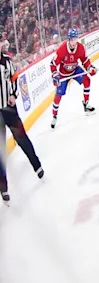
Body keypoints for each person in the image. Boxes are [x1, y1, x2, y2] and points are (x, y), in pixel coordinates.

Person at [0, 44, 44, 204]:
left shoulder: (7, 62)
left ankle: (36, 165)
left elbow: (15, 79)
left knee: (22, 138)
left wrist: (13, 95)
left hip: (9, 109)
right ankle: (3, 188)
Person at [50, 28, 95, 129]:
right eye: (72, 39)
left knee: (87, 80)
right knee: (58, 95)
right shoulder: (61, 49)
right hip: (63, 74)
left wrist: (90, 67)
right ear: (69, 40)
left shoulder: (80, 48)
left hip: (75, 70)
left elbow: (84, 60)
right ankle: (54, 115)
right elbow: (52, 64)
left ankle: (86, 104)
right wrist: (55, 75)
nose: (74, 42)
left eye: (76, 39)